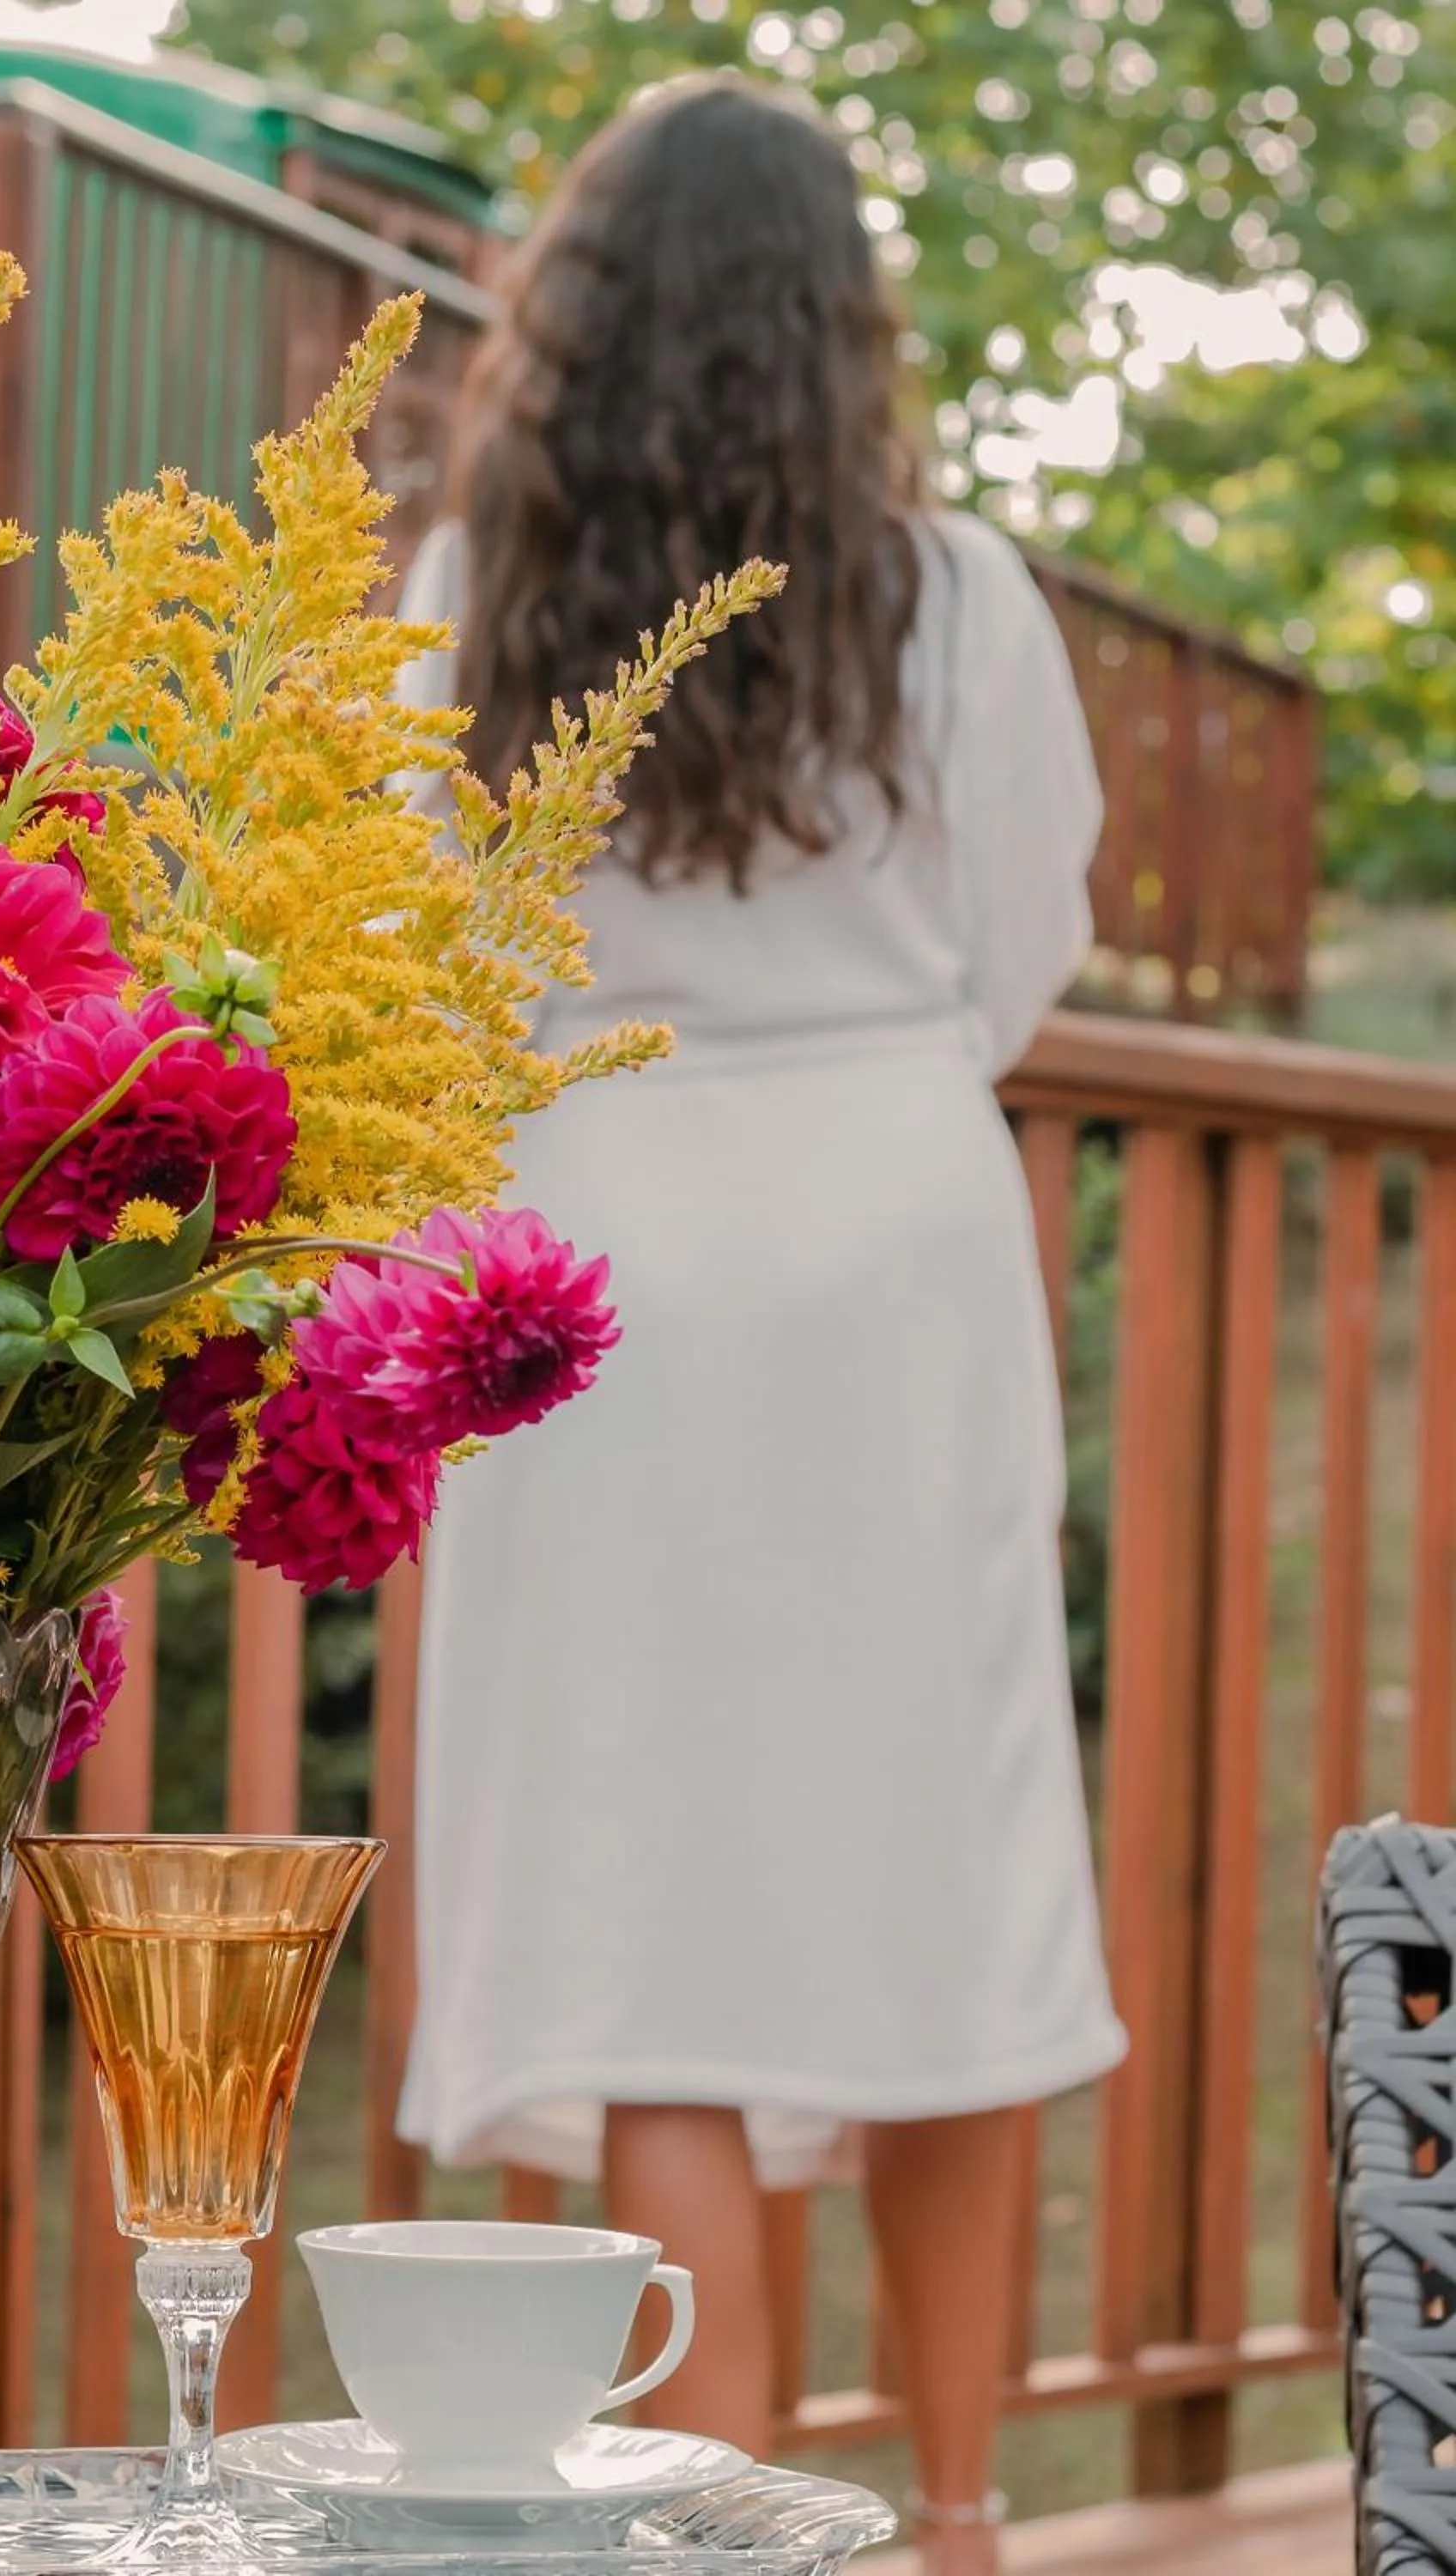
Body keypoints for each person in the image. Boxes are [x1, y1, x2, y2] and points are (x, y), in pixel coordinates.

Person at [393, 72, 1125, 2576]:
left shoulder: (465, 608)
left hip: (578, 1259)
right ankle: (947, 2521)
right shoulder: (960, 600)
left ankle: (700, 2535)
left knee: (647, 1918)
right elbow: (1021, 953)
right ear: (844, 326)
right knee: (948, 1890)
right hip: (889, 1258)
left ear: (566, 321)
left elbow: (426, 959)